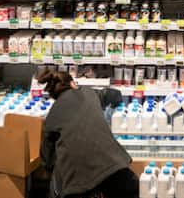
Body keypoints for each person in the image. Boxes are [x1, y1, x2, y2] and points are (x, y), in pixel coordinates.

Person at [38, 70, 137, 198]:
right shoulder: (87, 92)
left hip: (77, 184)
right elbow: (114, 94)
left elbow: (47, 159)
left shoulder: (51, 116)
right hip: (114, 167)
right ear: (73, 84)